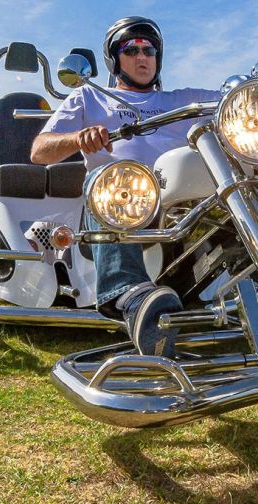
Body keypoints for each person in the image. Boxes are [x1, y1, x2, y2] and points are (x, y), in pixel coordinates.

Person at [31, 16, 220, 357]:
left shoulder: (185, 99)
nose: (142, 56)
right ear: (115, 59)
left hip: (181, 199)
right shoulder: (90, 97)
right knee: (113, 177)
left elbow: (239, 97)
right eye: (131, 49)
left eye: (149, 49)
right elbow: (39, 151)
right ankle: (129, 295)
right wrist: (77, 136)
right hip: (122, 198)